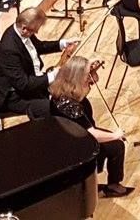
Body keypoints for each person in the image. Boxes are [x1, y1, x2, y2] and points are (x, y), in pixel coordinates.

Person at [48, 55, 134, 197]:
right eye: (87, 74)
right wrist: (115, 135)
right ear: (78, 77)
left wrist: (91, 68)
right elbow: (91, 133)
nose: (91, 78)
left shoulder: (64, 86)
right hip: (75, 144)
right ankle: (112, 184)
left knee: (113, 142)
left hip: (72, 136)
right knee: (117, 145)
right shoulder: (68, 105)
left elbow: (94, 81)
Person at [0, 7, 77, 119]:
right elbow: (24, 84)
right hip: (14, 97)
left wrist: (62, 44)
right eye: (35, 30)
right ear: (24, 28)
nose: (36, 32)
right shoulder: (9, 49)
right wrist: (52, 76)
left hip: (31, 81)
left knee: (68, 92)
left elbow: (39, 46)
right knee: (52, 107)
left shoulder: (23, 32)